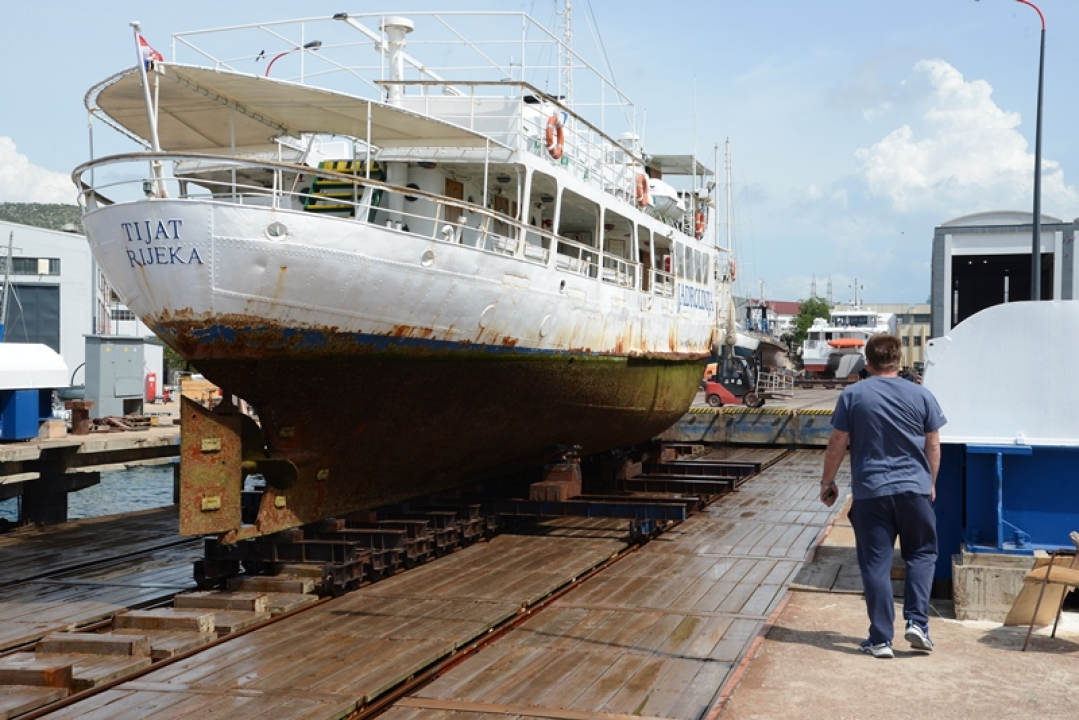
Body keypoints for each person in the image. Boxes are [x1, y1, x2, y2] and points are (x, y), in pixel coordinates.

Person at [820, 334, 946, 659]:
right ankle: (917, 623)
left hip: (871, 492)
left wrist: (827, 482)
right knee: (921, 554)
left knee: (876, 564)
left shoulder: (853, 395)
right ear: (899, 361)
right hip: (915, 490)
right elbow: (933, 444)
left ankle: (880, 640)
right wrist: (930, 482)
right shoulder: (922, 395)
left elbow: (837, 442)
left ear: (868, 361)